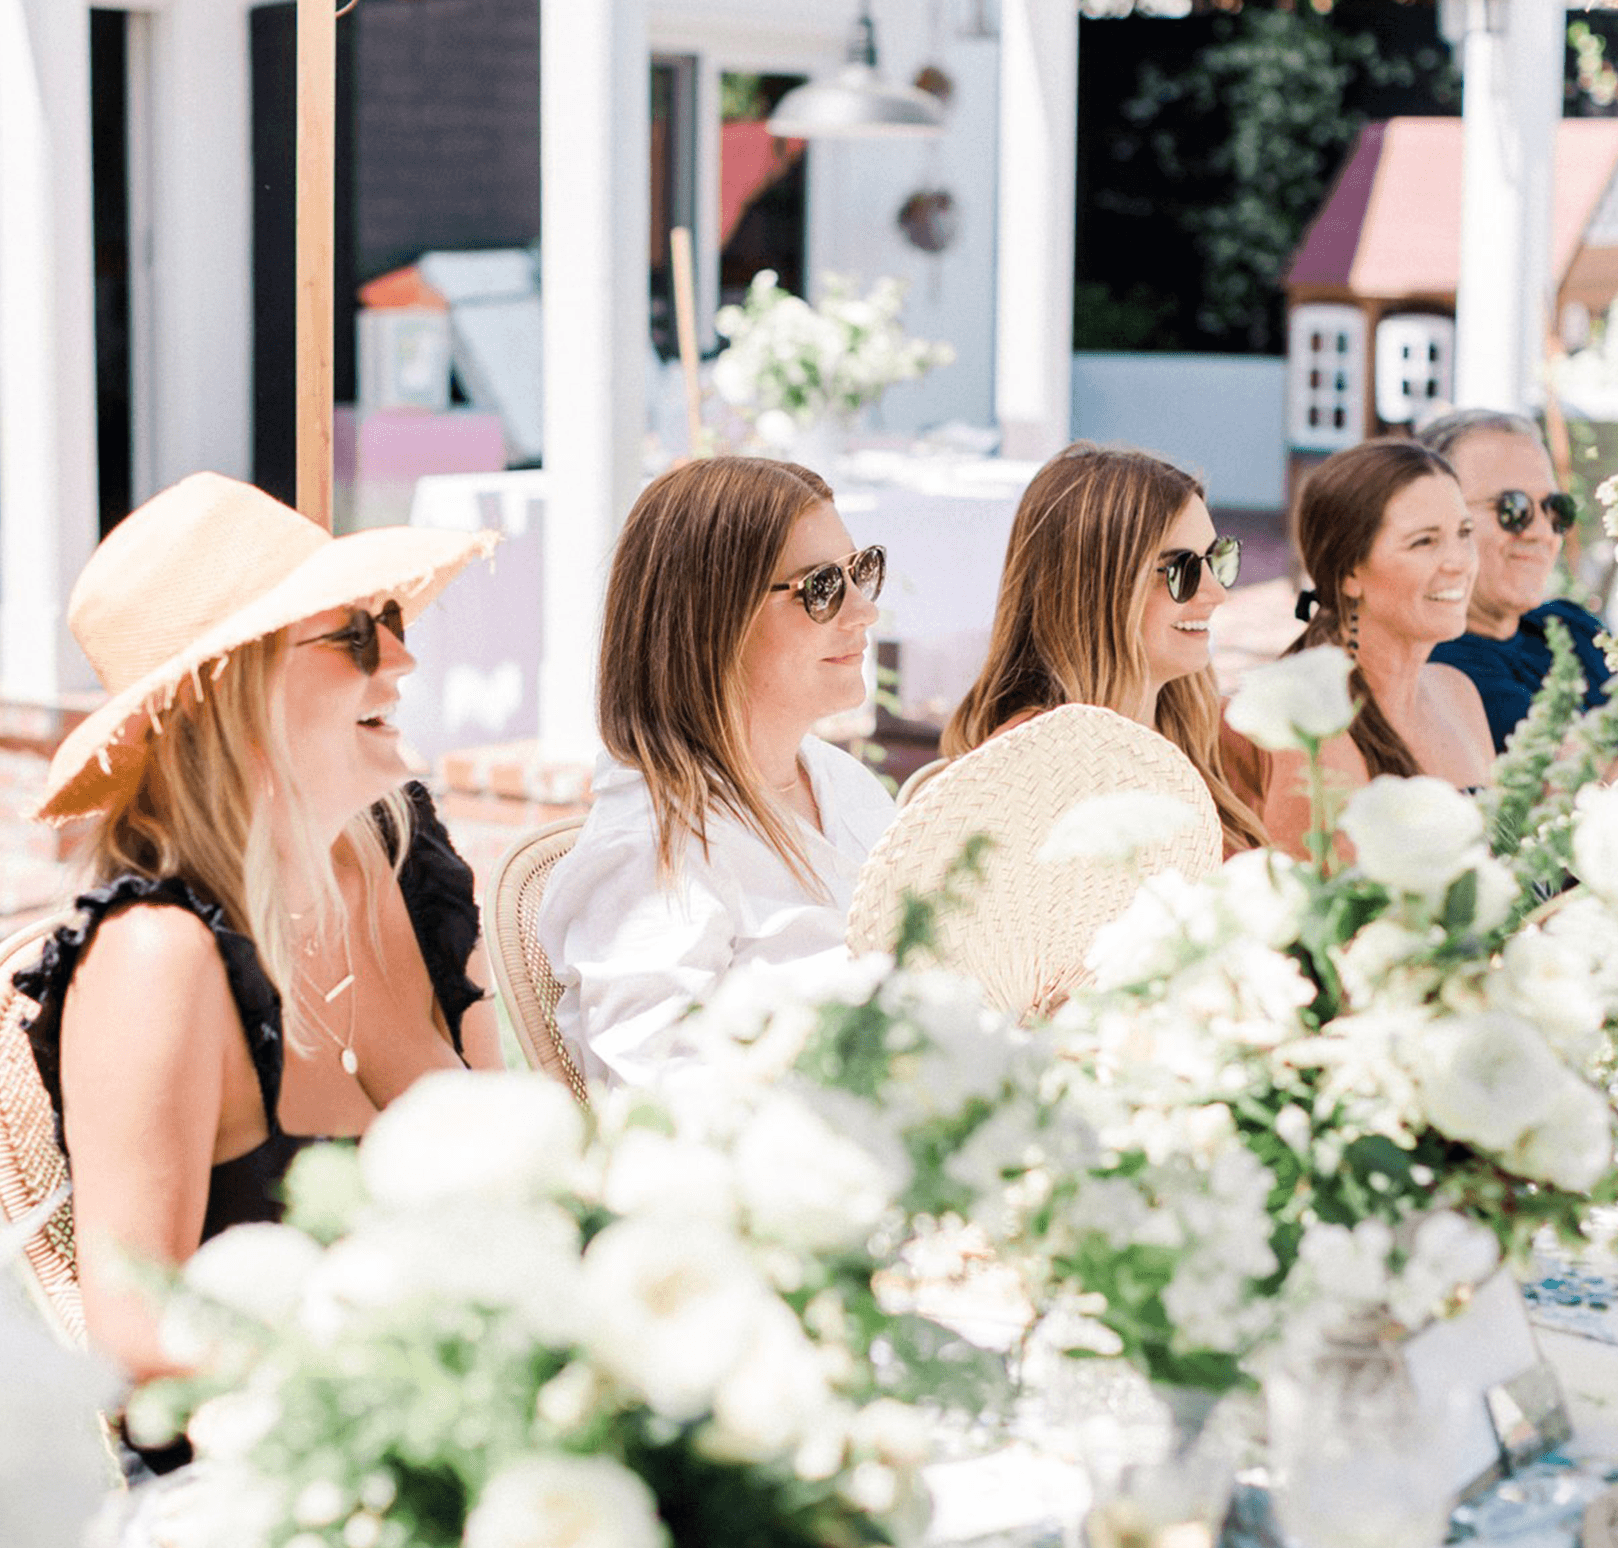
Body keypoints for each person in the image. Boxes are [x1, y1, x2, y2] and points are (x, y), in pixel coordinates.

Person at [13, 473, 501, 1396]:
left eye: (390, 616)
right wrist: (417, 1384)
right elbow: (138, 1338)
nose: (400, 659)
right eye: (354, 631)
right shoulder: (157, 953)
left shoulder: (410, 866)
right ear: (224, 685)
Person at [536, 456, 896, 1090]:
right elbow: (661, 1105)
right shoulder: (654, 848)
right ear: (713, 619)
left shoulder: (842, 784)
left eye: (861, 572)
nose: (862, 611)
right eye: (823, 588)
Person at [942, 440, 1265, 856]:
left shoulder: (1199, 731)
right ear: (1094, 589)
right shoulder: (1024, 773)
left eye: (1216, 560)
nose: (1215, 592)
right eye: (1180, 570)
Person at [1259, 438, 1495, 858]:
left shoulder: (1458, 691)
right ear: (1350, 572)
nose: (1460, 561)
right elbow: (1321, 912)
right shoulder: (1313, 731)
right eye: (1424, 542)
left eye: (1464, 533)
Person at [1417, 409, 1609, 750]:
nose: (1541, 532)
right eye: (1513, 509)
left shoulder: (1572, 626)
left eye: (1555, 509)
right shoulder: (1440, 672)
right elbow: (1565, 780)